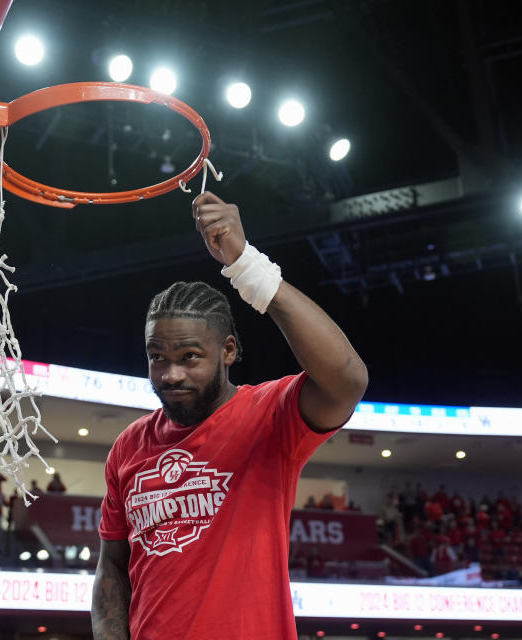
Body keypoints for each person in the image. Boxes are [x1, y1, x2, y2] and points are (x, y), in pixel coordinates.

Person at [92, 193, 368, 640]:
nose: (170, 373)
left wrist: (247, 266)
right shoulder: (129, 445)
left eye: (189, 356)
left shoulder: (269, 415)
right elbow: (112, 568)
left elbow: (347, 380)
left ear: (229, 351)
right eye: (156, 356)